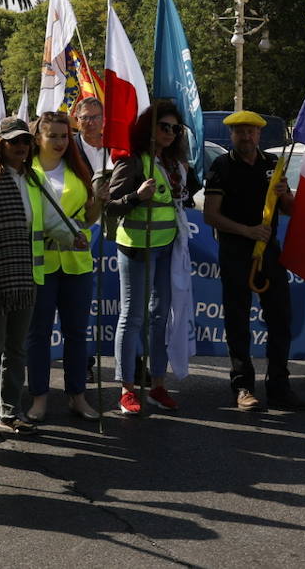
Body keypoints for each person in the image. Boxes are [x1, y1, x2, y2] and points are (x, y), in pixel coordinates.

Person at [0, 117, 85, 442]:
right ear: (0, 143)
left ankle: (8, 413)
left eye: (25, 142)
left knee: (16, 351)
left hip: (24, 281)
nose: (21, 147)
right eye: (14, 141)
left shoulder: (31, 178)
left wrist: (74, 237)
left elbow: (51, 220)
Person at [203, 110, 305, 412]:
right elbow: (211, 215)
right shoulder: (221, 166)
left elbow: (289, 209)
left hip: (270, 253)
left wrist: (285, 194)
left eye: (251, 131)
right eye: (240, 132)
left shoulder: (273, 165)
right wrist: (247, 230)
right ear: (232, 135)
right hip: (235, 252)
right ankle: (243, 387)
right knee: (237, 322)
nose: (246, 137)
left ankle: (279, 387)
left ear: (259, 135)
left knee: (280, 320)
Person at [106, 99, 199, 416]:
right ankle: (127, 389)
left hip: (168, 247)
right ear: (150, 128)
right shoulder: (133, 162)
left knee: (161, 317)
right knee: (133, 316)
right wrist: (136, 196)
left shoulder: (175, 164)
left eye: (176, 128)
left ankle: (158, 385)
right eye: (165, 127)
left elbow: (188, 197)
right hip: (136, 246)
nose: (171, 133)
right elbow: (111, 205)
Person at [26, 111, 107, 422]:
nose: (60, 142)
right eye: (53, 136)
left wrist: (99, 199)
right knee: (38, 334)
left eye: (64, 136)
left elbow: (88, 219)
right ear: (38, 138)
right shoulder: (26, 171)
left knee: (77, 333)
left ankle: (77, 395)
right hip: (40, 265)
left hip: (76, 265)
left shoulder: (78, 170)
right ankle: (38, 398)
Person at [72, 95, 108, 176]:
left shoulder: (113, 147)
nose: (91, 123)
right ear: (76, 120)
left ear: (103, 119)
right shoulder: (70, 147)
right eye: (85, 118)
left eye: (96, 117)